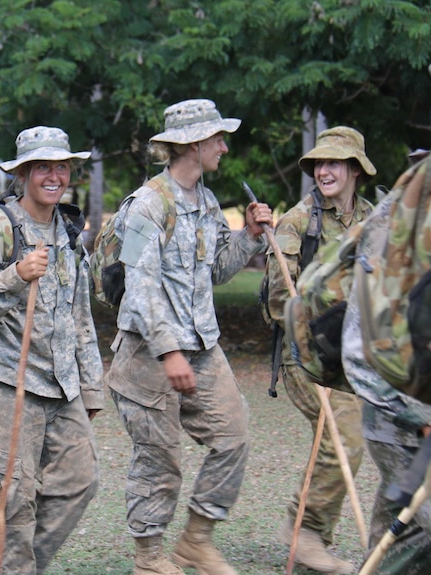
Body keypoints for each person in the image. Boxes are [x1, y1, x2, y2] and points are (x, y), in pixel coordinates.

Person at [105, 99, 272, 575]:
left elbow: (217, 269)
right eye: (217, 138)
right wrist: (169, 350)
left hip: (201, 348)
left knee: (233, 436)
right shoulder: (147, 205)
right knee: (159, 461)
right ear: (193, 144)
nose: (224, 146)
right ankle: (150, 559)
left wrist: (252, 237)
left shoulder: (209, 201)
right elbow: (139, 287)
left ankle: (196, 542)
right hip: (148, 355)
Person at [0, 126, 104, 574]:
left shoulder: (69, 230)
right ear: (23, 174)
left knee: (81, 479)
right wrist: (15, 275)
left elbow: (80, 315)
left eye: (61, 166)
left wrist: (91, 385)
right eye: (43, 167)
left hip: (60, 384)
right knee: (9, 500)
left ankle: (20, 568)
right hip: (5, 381)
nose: (54, 176)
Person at [265, 126, 375, 574]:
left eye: (334, 163)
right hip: (306, 353)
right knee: (342, 436)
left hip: (360, 352)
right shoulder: (298, 221)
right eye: (318, 164)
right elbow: (277, 300)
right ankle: (306, 533)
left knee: (374, 437)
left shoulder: (377, 217)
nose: (324, 171)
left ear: (354, 170)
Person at [340, 193, 431, 574]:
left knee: (401, 544)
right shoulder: (402, 217)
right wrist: (422, 416)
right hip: (403, 417)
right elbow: (365, 343)